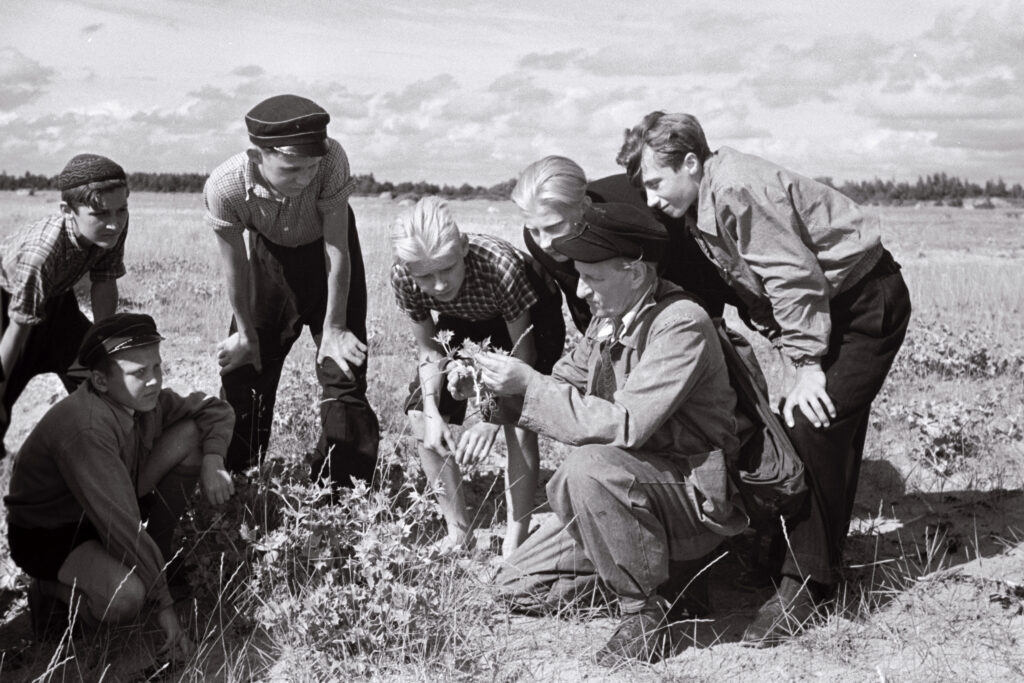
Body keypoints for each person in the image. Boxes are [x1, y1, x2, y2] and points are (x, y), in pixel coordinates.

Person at [617, 111, 912, 644]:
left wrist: (805, 366)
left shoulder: (733, 188)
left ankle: (807, 585)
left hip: (865, 301)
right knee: (829, 433)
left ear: (689, 162)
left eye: (657, 182)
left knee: (811, 425)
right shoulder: (701, 201)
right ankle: (810, 560)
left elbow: (794, 277)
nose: (654, 198)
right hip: (834, 306)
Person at [478, 203, 748, 665]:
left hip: (690, 495)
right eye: (579, 275)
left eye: (594, 278)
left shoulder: (681, 323)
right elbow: (562, 381)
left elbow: (626, 425)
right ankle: (662, 573)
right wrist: (492, 392)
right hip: (633, 488)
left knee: (586, 468)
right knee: (515, 585)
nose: (581, 290)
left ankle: (643, 611)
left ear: (637, 274)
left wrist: (529, 384)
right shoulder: (609, 319)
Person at [4, 313, 235, 659]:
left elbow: (215, 409)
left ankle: (157, 562)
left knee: (191, 435)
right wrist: (166, 612)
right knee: (127, 598)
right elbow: (120, 523)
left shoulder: (140, 400)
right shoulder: (87, 429)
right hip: (51, 532)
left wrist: (213, 460)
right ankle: (49, 589)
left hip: (104, 501)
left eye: (157, 367)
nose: (155, 380)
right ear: (99, 381)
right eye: (139, 373)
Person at [204, 94, 379, 488]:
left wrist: (334, 328)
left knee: (344, 369)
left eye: (312, 167)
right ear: (256, 156)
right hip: (269, 262)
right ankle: (238, 478)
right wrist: (246, 334)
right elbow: (236, 265)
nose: (305, 178)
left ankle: (343, 492)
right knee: (246, 368)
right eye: (293, 168)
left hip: (330, 260)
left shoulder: (332, 159)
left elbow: (337, 247)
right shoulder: (225, 186)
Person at [391, 196, 564, 556]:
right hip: (466, 318)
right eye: (426, 276)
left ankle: (516, 541)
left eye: (447, 269)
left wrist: (491, 419)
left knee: (519, 420)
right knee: (421, 416)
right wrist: (433, 412)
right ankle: (459, 532)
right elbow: (429, 350)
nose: (438, 285)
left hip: (530, 323)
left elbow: (524, 355)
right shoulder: (405, 277)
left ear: (464, 249)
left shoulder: (499, 267)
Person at [511, 155, 738, 331]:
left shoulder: (630, 220)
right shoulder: (537, 240)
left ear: (585, 206)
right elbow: (582, 301)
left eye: (554, 227)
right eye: (534, 230)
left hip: (682, 260)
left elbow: (656, 289)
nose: (545, 243)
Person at [0, 153, 129, 458]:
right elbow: (17, 328)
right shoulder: (41, 254)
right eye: (100, 215)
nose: (113, 224)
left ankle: (102, 458)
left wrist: (102, 345)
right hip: (8, 307)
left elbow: (104, 280)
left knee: (104, 384)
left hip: (58, 303)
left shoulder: (114, 225)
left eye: (121, 209)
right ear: (67, 211)